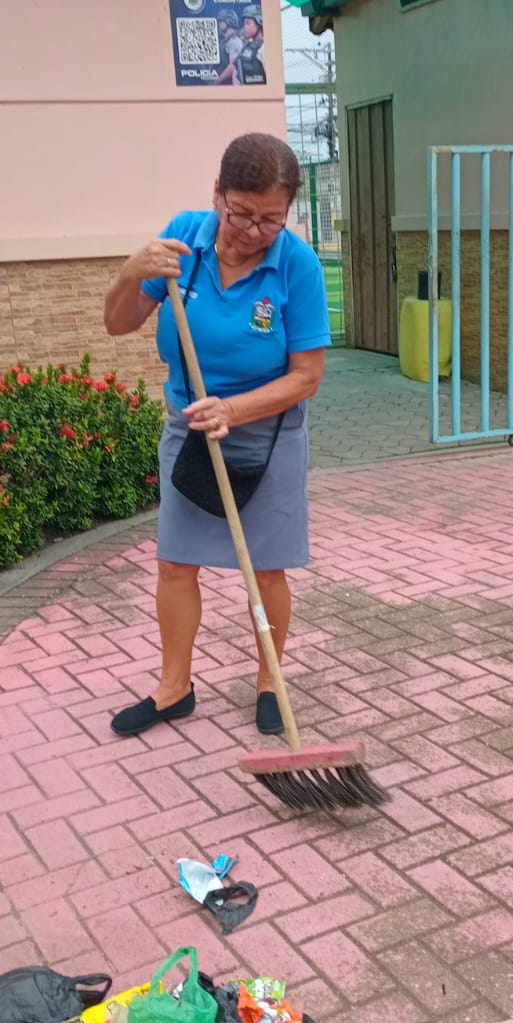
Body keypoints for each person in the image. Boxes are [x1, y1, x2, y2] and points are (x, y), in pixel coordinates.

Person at [103, 132, 330, 737]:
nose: (254, 231)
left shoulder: (297, 265)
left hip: (268, 434)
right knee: (176, 564)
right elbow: (117, 323)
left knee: (267, 569)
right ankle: (174, 688)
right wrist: (131, 272)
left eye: (271, 220)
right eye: (241, 214)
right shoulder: (185, 242)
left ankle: (269, 680)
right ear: (217, 195)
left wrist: (235, 408)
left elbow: (307, 376)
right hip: (191, 432)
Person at [237, 5, 266, 85]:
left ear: (259, 22)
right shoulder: (247, 45)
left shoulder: (264, 48)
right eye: (244, 23)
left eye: (248, 23)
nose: (245, 27)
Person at [215, 8, 243, 86]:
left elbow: (233, 66)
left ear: (229, 21)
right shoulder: (225, 40)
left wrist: (217, 81)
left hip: (230, 83)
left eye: (221, 21)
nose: (219, 23)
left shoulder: (234, 41)